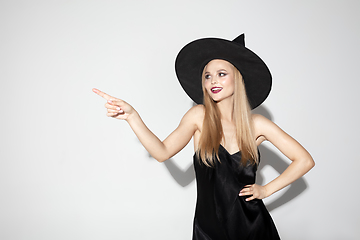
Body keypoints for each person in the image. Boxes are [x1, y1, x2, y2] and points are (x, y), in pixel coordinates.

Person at [93, 34, 315, 240]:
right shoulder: (199, 116)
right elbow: (161, 152)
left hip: (253, 227)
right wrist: (132, 117)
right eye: (207, 76)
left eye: (221, 74)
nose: (213, 81)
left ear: (237, 79)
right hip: (209, 229)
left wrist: (266, 190)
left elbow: (305, 160)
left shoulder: (256, 125)